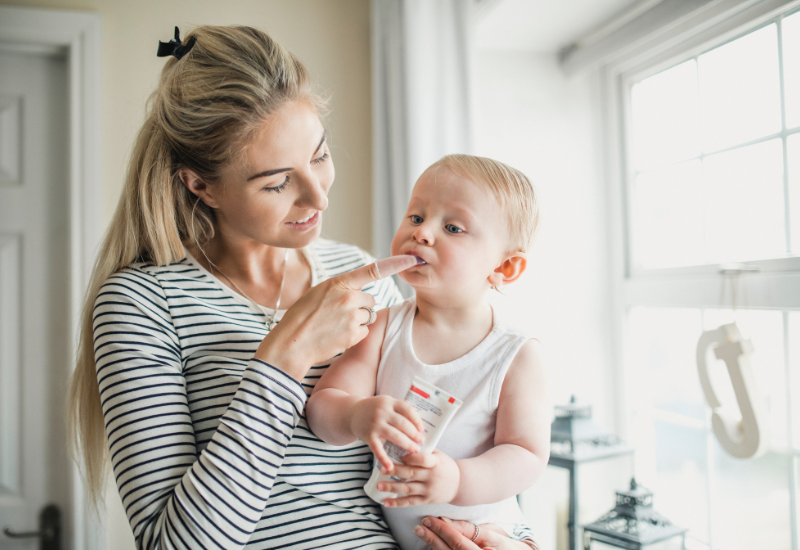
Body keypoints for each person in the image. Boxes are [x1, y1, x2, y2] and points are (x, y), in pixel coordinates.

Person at [66, 25, 538, 550]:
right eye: (276, 182)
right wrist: (286, 357)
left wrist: (501, 539)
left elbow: (459, 447)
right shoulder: (140, 305)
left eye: (319, 155)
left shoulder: (366, 276)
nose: (318, 197)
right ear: (201, 185)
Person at [307, 155, 551, 550]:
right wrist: (354, 415)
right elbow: (321, 408)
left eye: (452, 227)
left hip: (491, 535)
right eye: (417, 217)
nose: (423, 233)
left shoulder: (516, 355)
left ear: (505, 268)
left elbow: (526, 454)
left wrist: (457, 479)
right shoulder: (382, 327)